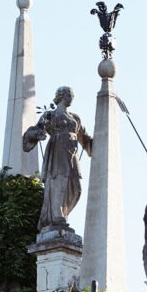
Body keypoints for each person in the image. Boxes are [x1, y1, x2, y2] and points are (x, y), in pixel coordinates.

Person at [23, 86, 92, 230]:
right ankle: (57, 216)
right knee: (58, 182)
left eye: (72, 95)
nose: (71, 97)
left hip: (72, 154)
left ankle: (62, 213)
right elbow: (34, 132)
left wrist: (101, 145)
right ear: (61, 96)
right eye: (69, 95)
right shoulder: (50, 115)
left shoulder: (75, 118)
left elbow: (85, 139)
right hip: (57, 151)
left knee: (76, 187)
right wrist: (38, 134)